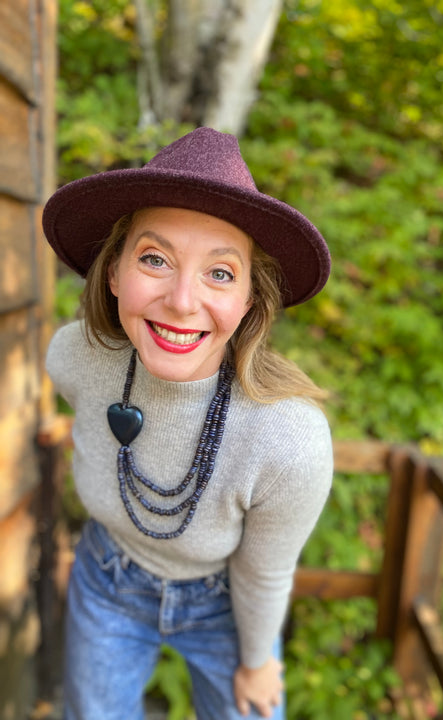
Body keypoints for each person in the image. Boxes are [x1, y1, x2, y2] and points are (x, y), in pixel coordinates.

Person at [43, 126, 333, 720]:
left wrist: (258, 661)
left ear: (251, 299)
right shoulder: (74, 358)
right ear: (114, 273)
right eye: (155, 259)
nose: (181, 299)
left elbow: (265, 569)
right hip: (107, 580)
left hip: (225, 601)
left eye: (220, 273)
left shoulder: (288, 438)